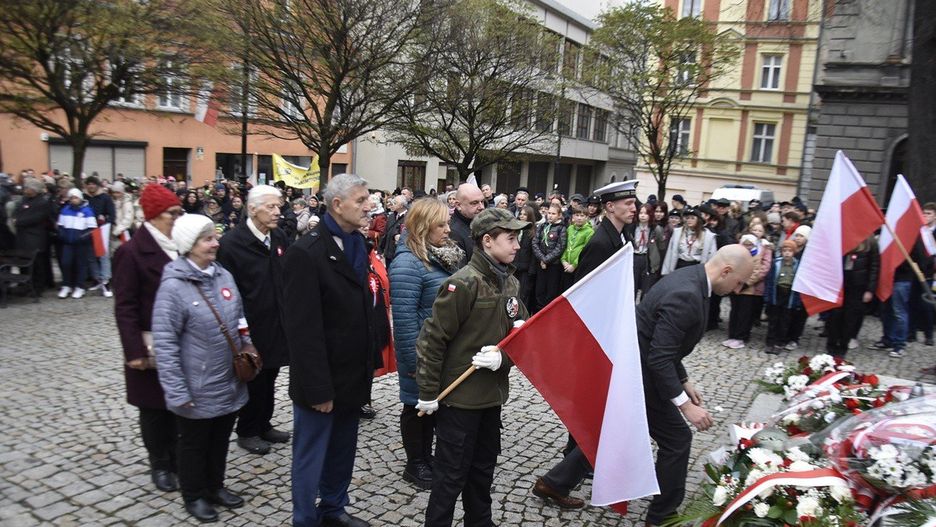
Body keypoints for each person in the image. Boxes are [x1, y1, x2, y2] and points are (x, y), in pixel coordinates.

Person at [416, 207, 530, 527]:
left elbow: (521, 336)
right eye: (511, 238)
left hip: (491, 397)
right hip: (459, 399)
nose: (517, 245)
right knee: (450, 476)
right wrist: (427, 392)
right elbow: (432, 340)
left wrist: (503, 358)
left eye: (517, 238)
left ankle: (480, 522)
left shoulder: (509, 283)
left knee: (482, 471)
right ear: (488, 241)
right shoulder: (463, 284)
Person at [531, 180, 638, 509]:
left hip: (608, 330)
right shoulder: (600, 241)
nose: (633, 207)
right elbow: (587, 292)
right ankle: (574, 459)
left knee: (596, 399)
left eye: (633, 202)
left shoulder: (618, 236)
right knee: (591, 399)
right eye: (627, 203)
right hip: (596, 334)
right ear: (610, 207)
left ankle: (581, 457)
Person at [638, 245, 754, 527]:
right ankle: (662, 517)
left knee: (619, 431)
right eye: (739, 282)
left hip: (644, 369)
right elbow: (660, 356)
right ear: (726, 271)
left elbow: (665, 344)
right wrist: (685, 405)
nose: (738, 290)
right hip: (642, 376)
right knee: (678, 440)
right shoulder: (687, 294)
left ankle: (556, 483)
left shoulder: (691, 277)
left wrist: (685, 380)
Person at [283, 174, 375, 527]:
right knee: (311, 455)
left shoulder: (356, 243)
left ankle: (334, 509)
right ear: (337, 205)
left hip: (351, 375)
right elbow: (302, 332)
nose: (369, 205)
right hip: (320, 382)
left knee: (342, 451)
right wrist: (318, 389)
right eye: (361, 199)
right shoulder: (305, 253)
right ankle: (304, 518)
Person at [152, 214, 249, 523]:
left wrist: (247, 344)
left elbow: (239, 317)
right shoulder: (173, 287)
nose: (215, 243)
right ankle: (193, 495)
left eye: (214, 237)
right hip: (195, 384)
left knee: (220, 438)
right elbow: (165, 345)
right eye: (207, 239)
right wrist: (176, 391)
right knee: (194, 444)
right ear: (188, 245)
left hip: (228, 379)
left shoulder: (223, 275)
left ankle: (215, 486)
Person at [388, 198, 465, 490]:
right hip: (422, 353)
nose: (448, 229)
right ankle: (415, 463)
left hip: (440, 351)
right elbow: (405, 320)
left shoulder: (438, 255)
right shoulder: (408, 263)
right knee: (416, 407)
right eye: (441, 224)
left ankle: (426, 457)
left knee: (432, 407)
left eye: (448, 223)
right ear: (423, 227)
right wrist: (412, 361)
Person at [112, 184, 183, 494]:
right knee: (154, 407)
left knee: (179, 404)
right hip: (150, 342)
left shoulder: (180, 246)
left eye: (180, 213)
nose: (178, 219)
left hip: (182, 341)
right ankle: (161, 463)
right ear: (154, 216)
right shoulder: (130, 252)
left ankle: (179, 457)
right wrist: (134, 350)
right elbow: (124, 305)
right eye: (173, 214)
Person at [216, 185, 291, 457]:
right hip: (249, 325)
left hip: (276, 321)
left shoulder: (279, 237)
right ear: (252, 209)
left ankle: (264, 423)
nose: (277, 211)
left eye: (278, 206)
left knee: (270, 375)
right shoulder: (231, 244)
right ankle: (247, 430)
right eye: (270, 207)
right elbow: (226, 291)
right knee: (252, 378)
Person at [825, 237, 878, 357]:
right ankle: (831, 344)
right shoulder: (842, 236)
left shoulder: (871, 242)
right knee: (835, 315)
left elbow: (875, 267)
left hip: (858, 286)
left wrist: (870, 290)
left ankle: (843, 346)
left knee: (850, 317)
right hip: (840, 284)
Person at [724, 234, 772, 349]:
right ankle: (732, 335)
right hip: (735, 287)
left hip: (748, 289)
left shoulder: (756, 256)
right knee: (734, 312)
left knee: (744, 314)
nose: (747, 247)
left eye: (750, 245)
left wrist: (746, 284)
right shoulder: (737, 256)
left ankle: (741, 337)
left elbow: (756, 272)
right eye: (745, 245)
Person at [12, 178, 54, 294]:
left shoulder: (42, 202)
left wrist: (19, 222)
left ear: (34, 190)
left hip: (35, 238)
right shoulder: (23, 200)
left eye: (27, 188)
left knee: (37, 265)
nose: (25, 190)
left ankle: (38, 287)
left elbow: (36, 218)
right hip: (22, 237)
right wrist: (16, 219)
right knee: (23, 264)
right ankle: (25, 285)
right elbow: (16, 212)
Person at [56, 188, 96, 299]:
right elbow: (60, 225)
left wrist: (82, 237)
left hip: (81, 244)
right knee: (66, 263)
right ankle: (66, 285)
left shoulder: (87, 211)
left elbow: (92, 228)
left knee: (81, 265)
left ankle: (80, 286)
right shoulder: (65, 210)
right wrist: (62, 235)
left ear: (80, 198)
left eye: (76, 198)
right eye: (71, 198)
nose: (73, 200)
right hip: (67, 242)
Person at [764, 240, 802, 354]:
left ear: (794, 252)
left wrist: (797, 300)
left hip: (789, 295)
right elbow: (769, 280)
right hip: (777, 293)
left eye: (790, 251)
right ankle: (770, 342)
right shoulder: (776, 263)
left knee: (784, 321)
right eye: (784, 250)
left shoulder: (797, 265)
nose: (787, 253)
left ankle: (779, 342)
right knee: (773, 320)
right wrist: (768, 296)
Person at [83, 175, 116, 296]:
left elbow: (112, 214)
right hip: (87, 230)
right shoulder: (83, 198)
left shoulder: (105, 198)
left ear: (97, 185)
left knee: (103, 256)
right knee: (90, 256)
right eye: (89, 184)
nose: (91, 186)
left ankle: (106, 280)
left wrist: (107, 222)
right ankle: (97, 279)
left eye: (93, 184)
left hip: (102, 230)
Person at [532, 202, 567, 311]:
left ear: (559, 215)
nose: (550, 215)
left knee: (551, 292)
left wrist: (546, 260)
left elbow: (560, 247)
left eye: (553, 213)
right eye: (549, 213)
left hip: (553, 265)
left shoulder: (562, 228)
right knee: (539, 290)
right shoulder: (542, 226)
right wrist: (542, 258)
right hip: (541, 264)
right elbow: (535, 243)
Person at [660, 207, 716, 275]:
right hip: (680, 264)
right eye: (687, 218)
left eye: (692, 218)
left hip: (696, 266)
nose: (689, 220)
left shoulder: (707, 236)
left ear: (698, 220)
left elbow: (711, 255)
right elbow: (670, 252)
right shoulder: (678, 232)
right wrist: (666, 272)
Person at [633, 203, 666, 299]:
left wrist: (656, 263)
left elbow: (661, 247)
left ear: (650, 215)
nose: (642, 215)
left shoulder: (656, 229)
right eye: (641, 213)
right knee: (633, 285)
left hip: (648, 259)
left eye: (646, 213)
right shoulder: (632, 227)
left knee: (646, 288)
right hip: (635, 256)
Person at [448, 183, 485, 263]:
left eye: (482, 201)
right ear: (458, 205)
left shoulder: (480, 224)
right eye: (474, 203)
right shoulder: (454, 232)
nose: (481, 207)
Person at [560, 205, 594, 291]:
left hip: (577, 267)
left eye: (582, 216)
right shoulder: (570, 228)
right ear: (573, 217)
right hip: (566, 266)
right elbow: (565, 245)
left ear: (587, 217)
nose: (579, 218)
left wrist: (574, 265)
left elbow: (585, 251)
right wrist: (563, 260)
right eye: (577, 215)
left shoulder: (589, 232)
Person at [514, 205, 538, 309]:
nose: (522, 216)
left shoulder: (532, 232)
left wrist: (531, 270)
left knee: (524, 294)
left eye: (525, 214)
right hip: (514, 266)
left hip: (526, 268)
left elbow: (533, 253)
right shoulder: (516, 230)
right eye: (521, 214)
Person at [381, 195, 408, 264]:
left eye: (395, 203)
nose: (392, 204)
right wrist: (380, 249)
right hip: (388, 252)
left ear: (402, 205)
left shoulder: (409, 217)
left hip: (399, 253)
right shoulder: (391, 216)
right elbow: (385, 233)